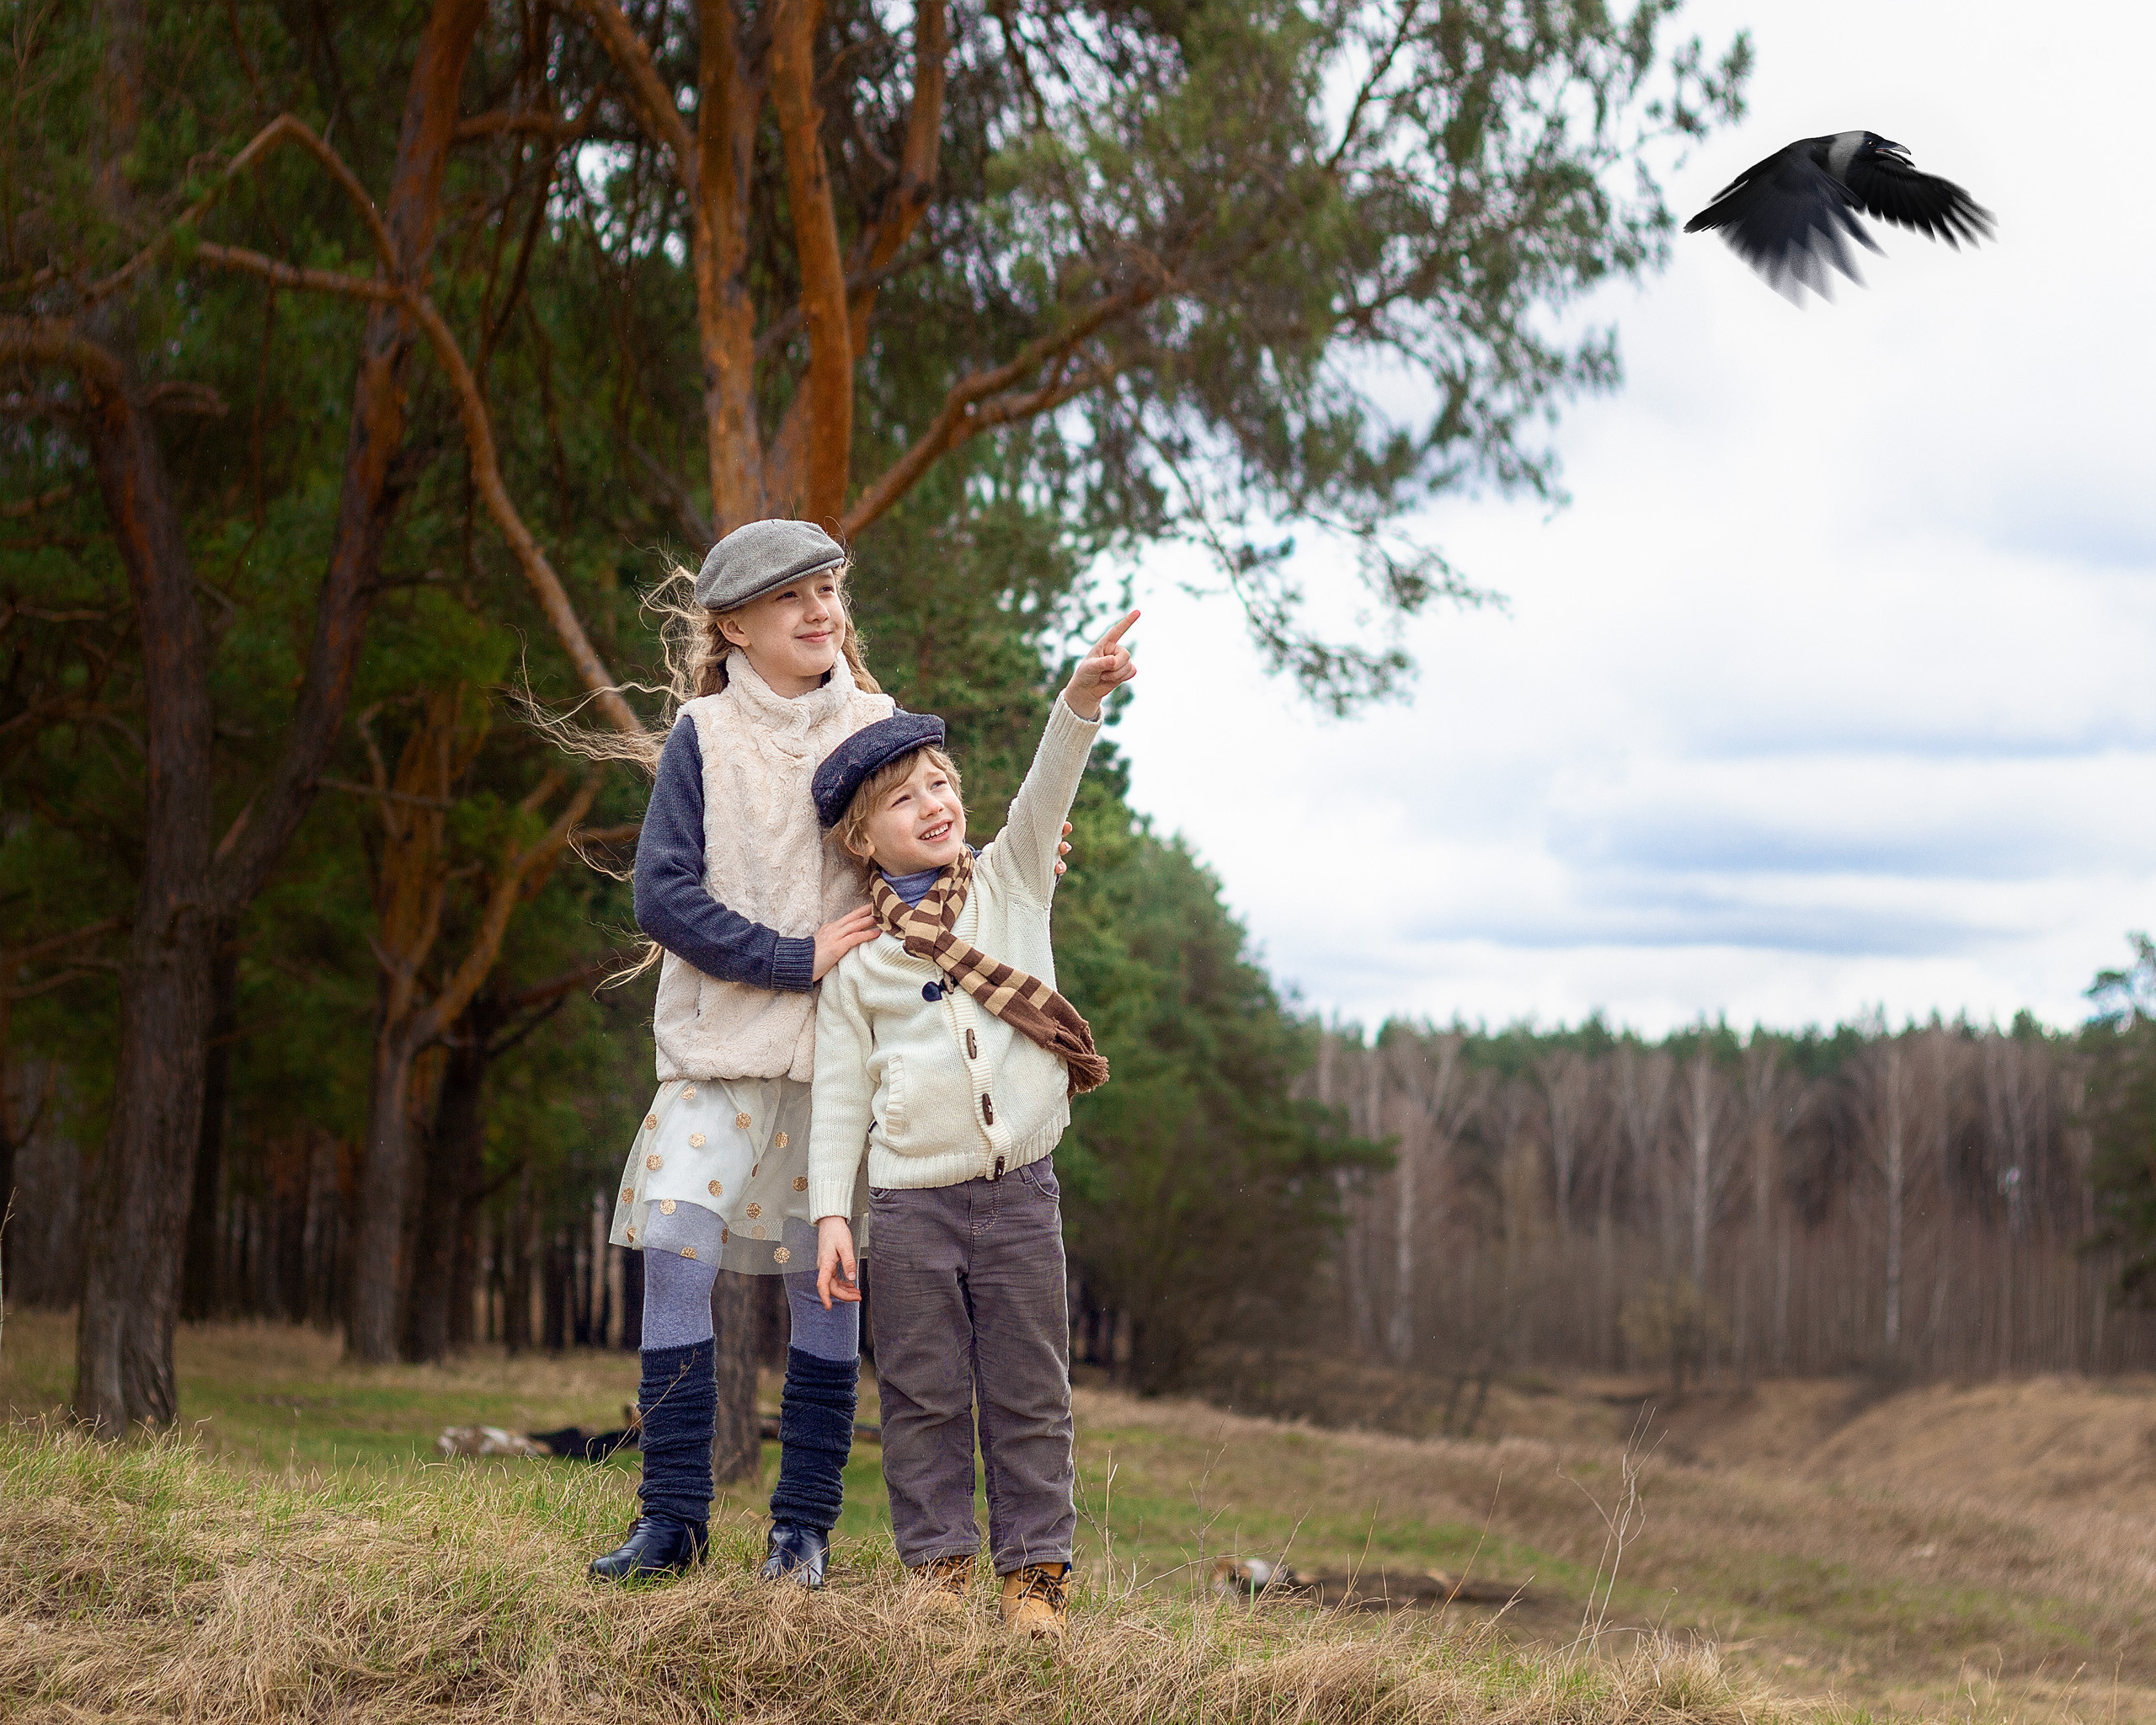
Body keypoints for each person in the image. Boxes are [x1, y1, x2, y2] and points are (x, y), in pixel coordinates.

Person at [805, 611, 1138, 1637]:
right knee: (922, 1394)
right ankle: (939, 1568)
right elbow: (840, 1094)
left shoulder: (1010, 880)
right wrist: (832, 1215)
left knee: (1030, 1389)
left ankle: (1035, 1574)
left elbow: (1047, 789)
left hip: (1020, 1195)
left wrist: (1079, 699)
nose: (935, 803)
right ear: (862, 838)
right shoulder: (861, 964)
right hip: (910, 1206)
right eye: (904, 798)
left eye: (941, 782)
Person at [586, 519, 894, 1588]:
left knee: (826, 1278)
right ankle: (671, 1519)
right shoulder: (702, 734)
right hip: (714, 1050)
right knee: (675, 1241)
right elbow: (660, 894)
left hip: (838, 1062)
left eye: (828, 590)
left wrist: (997, 862)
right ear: (733, 627)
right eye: (789, 597)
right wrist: (790, 956)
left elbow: (917, 855)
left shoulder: (879, 725)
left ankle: (801, 1529)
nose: (819, 611)